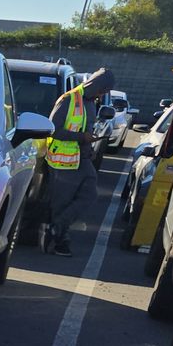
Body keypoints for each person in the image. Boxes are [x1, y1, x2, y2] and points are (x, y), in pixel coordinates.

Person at [43, 67, 116, 256]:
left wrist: (89, 144)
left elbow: (84, 128)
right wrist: (82, 138)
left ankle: (56, 228)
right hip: (63, 162)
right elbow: (52, 130)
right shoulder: (69, 99)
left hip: (82, 159)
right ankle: (59, 240)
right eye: (103, 90)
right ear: (95, 85)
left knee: (90, 195)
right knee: (61, 203)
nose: (103, 94)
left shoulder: (91, 102)